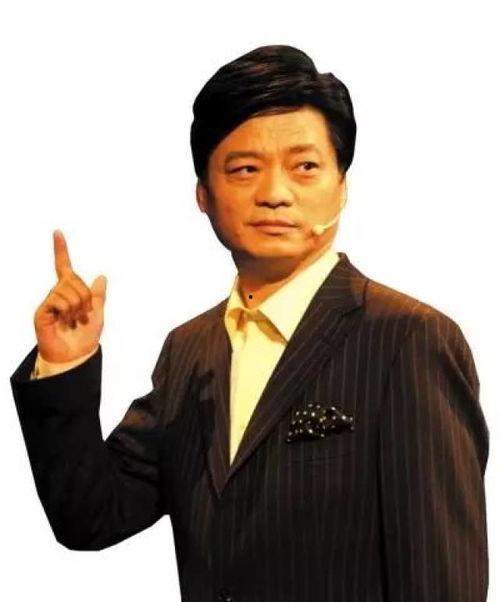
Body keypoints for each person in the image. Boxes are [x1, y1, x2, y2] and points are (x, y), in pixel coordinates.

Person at [10, 45, 489, 602]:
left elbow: (441, 578)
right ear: (204, 196)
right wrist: (64, 364)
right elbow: (92, 518)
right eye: (245, 169)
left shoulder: (408, 338)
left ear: (341, 185)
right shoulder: (189, 350)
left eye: (305, 167)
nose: (275, 194)